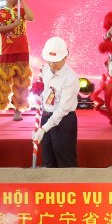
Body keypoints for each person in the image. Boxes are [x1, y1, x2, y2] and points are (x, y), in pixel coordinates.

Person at [0, 0, 34, 122]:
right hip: (7, 51)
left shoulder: (21, 10)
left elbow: (31, 17)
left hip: (22, 51)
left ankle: (18, 109)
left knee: (21, 82)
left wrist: (23, 1)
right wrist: (15, 25)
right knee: (1, 81)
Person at [32, 37, 79, 168]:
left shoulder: (71, 79)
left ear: (65, 57)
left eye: (56, 61)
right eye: (50, 61)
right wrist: (38, 93)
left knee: (65, 160)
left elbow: (63, 109)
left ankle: (69, 187)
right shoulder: (45, 69)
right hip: (46, 117)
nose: (52, 64)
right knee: (48, 160)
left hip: (63, 120)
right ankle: (49, 188)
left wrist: (44, 129)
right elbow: (46, 93)